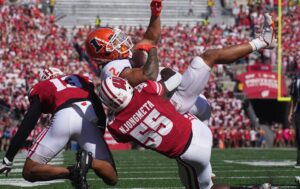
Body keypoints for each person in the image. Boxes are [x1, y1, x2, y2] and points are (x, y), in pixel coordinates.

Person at [85, 12, 276, 122]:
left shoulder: (121, 59)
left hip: (176, 100)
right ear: (104, 51)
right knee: (208, 57)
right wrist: (151, 49)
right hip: (169, 102)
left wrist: (156, 12)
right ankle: (263, 41)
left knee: (196, 163)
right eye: (115, 41)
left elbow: (151, 37)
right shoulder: (113, 67)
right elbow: (148, 75)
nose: (122, 40)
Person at [98, 50, 220, 189]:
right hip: (197, 128)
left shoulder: (115, 127)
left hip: (186, 153)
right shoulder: (146, 91)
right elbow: (171, 76)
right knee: (183, 104)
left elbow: (122, 134)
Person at [0, 68, 117, 188]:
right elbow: (98, 108)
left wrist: (9, 157)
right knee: (112, 177)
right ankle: (89, 161)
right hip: (88, 114)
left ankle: (71, 172)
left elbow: (28, 122)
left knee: (29, 171)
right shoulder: (78, 78)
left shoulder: (42, 86)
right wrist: (99, 133)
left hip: (63, 117)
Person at [289, 74, 300, 168]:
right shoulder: (296, 80)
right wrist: (290, 112)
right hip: (298, 110)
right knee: (299, 136)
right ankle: (299, 160)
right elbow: (293, 98)